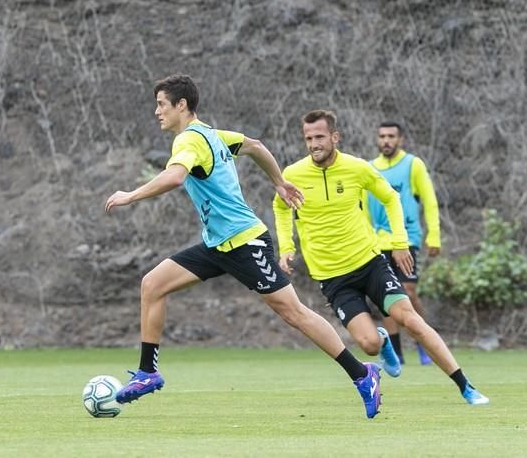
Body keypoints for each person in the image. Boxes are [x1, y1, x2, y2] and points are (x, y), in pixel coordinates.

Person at [105, 75, 382, 418]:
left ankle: (362, 374)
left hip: (245, 242)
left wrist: (130, 195)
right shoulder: (213, 135)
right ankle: (148, 372)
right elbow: (254, 145)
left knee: (293, 313)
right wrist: (279, 182)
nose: (156, 111)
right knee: (152, 284)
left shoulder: (189, 141)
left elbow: (175, 176)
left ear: (181, 105)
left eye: (162, 104)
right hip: (218, 245)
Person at [273, 109, 489, 406]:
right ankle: (384, 340)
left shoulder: (357, 168)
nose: (314, 144)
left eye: (320, 137)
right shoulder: (294, 174)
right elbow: (282, 208)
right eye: (308, 138)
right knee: (370, 345)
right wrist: (286, 247)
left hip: (369, 263)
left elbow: (391, 198)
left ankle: (466, 386)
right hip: (332, 277)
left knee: (410, 319)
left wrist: (400, 242)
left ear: (335, 137)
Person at [364, 121, 441, 365]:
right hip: (377, 243)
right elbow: (363, 207)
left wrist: (434, 235)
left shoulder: (413, 165)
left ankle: (423, 343)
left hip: (406, 239)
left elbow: (429, 201)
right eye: (382, 136)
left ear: (400, 140)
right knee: (386, 297)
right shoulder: (369, 168)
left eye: (391, 136)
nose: (386, 140)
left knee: (408, 291)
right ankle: (396, 353)